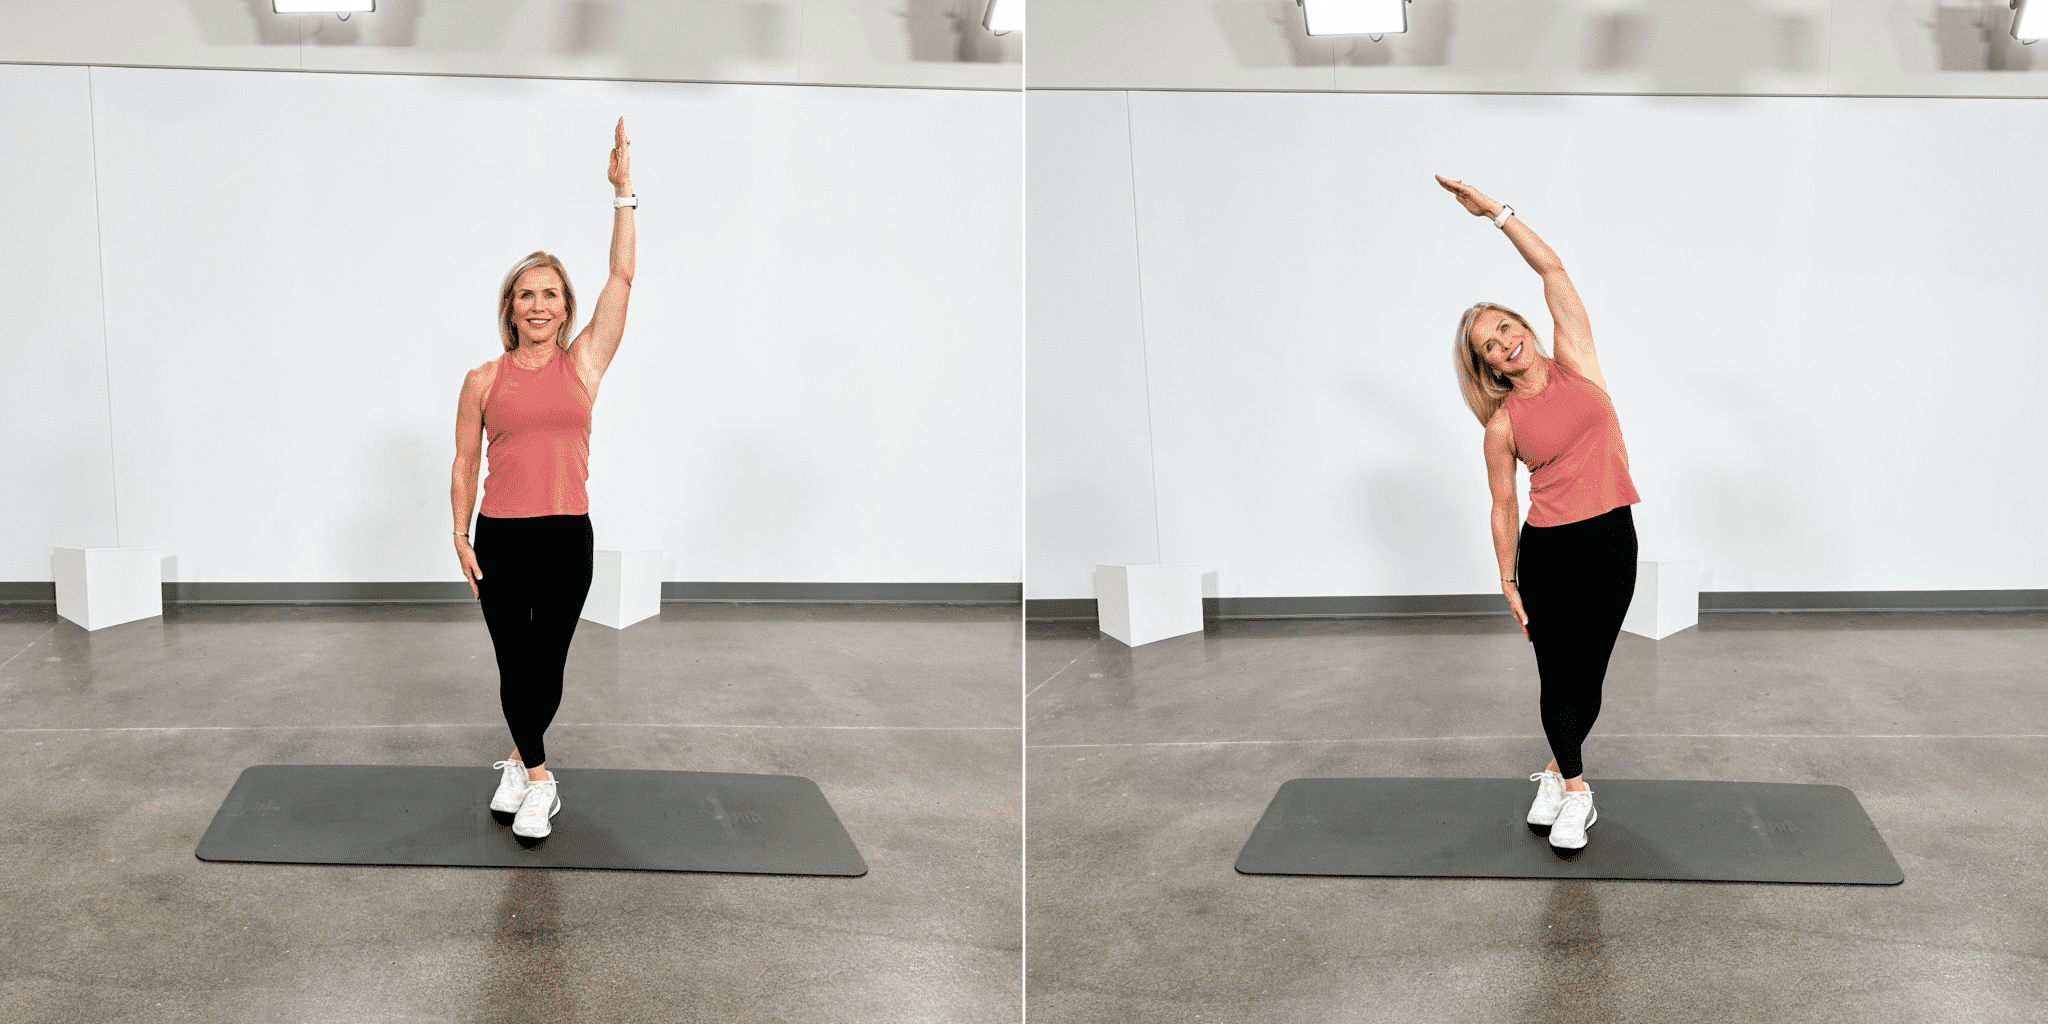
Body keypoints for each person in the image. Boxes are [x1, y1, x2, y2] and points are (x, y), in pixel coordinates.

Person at [1439, 174, 1640, 851]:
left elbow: (1552, 267)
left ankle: (1556, 774)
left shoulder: (1577, 362)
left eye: (1506, 327)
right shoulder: (1502, 424)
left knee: (1590, 675)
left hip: (1613, 541)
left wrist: (1495, 213)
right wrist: (1508, 579)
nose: (1504, 342)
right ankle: (1578, 794)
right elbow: (1501, 508)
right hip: (1549, 554)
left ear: (1526, 327)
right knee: (1557, 676)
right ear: (1490, 368)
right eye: (1490, 346)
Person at [449, 118, 636, 839]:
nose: (538, 306)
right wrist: (459, 535)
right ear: (511, 307)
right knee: (511, 664)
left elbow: (621, 277)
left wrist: (624, 196)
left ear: (565, 308)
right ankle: (537, 777)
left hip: (566, 537)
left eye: (550, 295)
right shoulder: (482, 378)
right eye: (526, 295)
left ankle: (524, 768)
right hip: (500, 538)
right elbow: (465, 460)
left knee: (545, 665)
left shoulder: (583, 364)